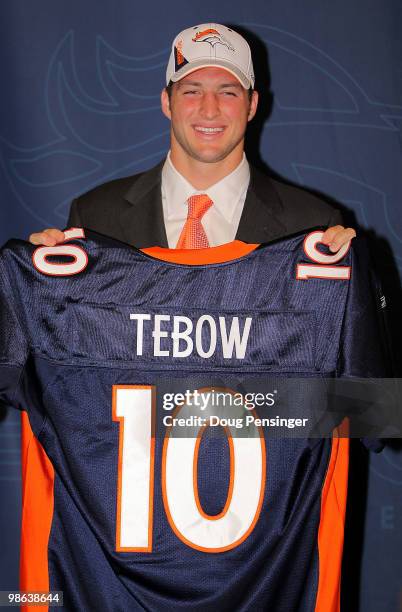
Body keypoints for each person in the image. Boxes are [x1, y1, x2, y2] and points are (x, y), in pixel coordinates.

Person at [28, 23, 355, 252]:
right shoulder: (96, 218)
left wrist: (356, 276)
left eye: (227, 92)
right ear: (166, 102)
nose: (209, 110)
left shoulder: (312, 227)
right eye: (192, 91)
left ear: (252, 105)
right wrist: (41, 284)